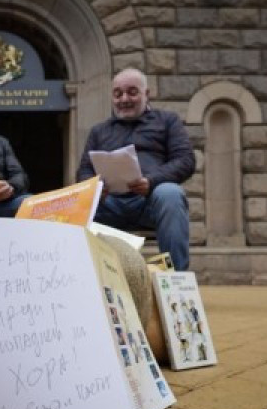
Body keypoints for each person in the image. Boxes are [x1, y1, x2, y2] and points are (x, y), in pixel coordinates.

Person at [76, 68, 195, 270]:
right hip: (109, 204)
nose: (124, 99)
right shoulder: (99, 131)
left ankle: (176, 281)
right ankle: (82, 280)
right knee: (77, 203)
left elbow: (185, 160)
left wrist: (151, 181)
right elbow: (83, 172)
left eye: (132, 92)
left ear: (146, 94)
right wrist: (96, 188)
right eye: (118, 94)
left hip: (151, 202)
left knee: (171, 193)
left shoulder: (167, 121)